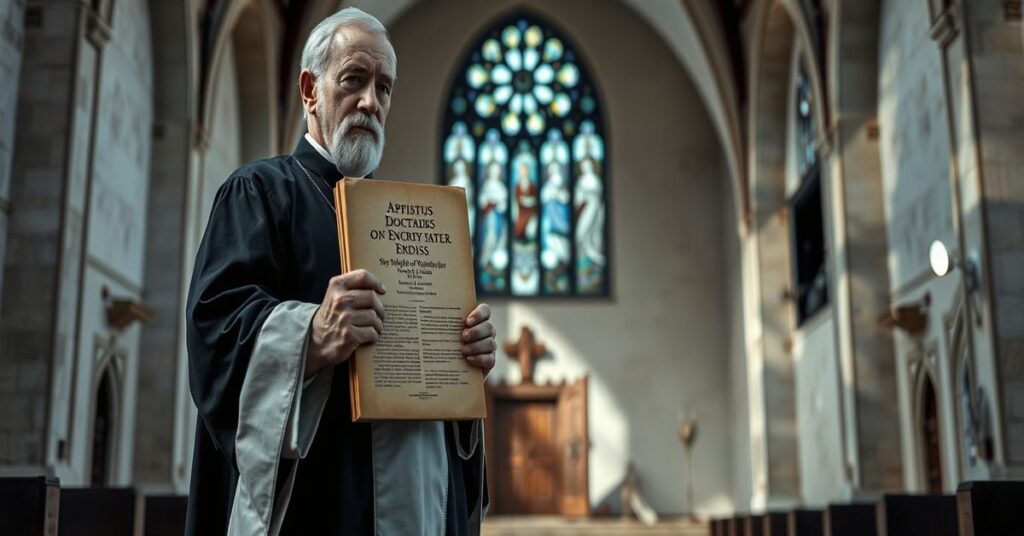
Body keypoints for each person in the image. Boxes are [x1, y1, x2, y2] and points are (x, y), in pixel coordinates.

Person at [185, 8, 496, 535]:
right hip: (316, 506)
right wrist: (310, 335)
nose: (371, 102)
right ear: (309, 89)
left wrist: (462, 363)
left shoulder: (413, 220)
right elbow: (214, 332)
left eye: (384, 87)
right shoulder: (259, 193)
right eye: (354, 79)